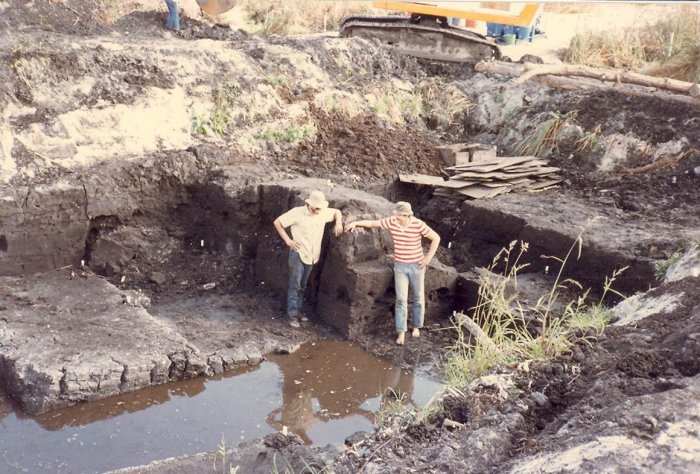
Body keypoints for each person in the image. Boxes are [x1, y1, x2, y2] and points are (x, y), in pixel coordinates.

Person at [344, 201, 440, 345]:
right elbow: (372, 224)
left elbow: (436, 238)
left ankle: (416, 326)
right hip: (400, 266)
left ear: (407, 215)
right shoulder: (392, 222)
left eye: (399, 215)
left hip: (417, 266)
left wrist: (428, 259)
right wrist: (355, 223)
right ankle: (401, 331)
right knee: (401, 299)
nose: (395, 216)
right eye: (395, 214)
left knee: (418, 297)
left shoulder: (417, 224)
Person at [273, 191, 343, 328]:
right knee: (295, 286)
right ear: (309, 204)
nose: (318, 211)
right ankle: (292, 316)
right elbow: (277, 222)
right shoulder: (297, 213)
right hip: (298, 254)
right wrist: (288, 240)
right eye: (316, 208)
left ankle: (298, 312)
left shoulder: (322, 212)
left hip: (312, 256)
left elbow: (336, 212)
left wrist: (339, 223)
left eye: (320, 208)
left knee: (303, 286)